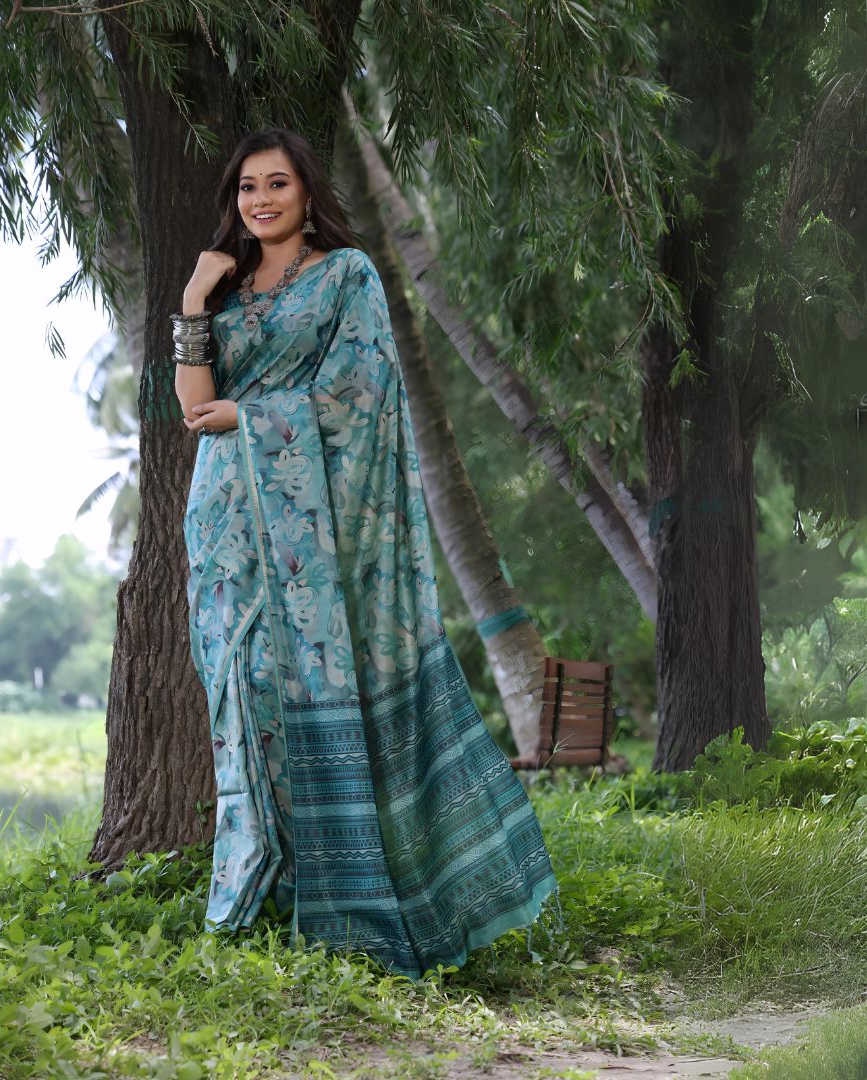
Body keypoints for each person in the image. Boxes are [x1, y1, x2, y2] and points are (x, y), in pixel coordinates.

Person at [173, 127, 557, 979]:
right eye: (246, 188)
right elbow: (195, 407)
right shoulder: (226, 291)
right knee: (244, 697)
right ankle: (252, 896)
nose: (260, 199)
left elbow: (360, 394)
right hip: (228, 526)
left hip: (315, 532)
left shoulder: (347, 278)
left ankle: (348, 905)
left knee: (306, 686)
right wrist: (197, 301)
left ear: (309, 194)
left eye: (277, 184)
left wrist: (255, 415)